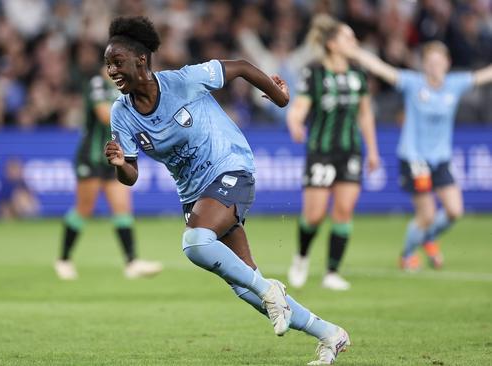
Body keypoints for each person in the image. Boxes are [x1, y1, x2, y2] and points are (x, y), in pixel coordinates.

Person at [104, 16, 350, 365]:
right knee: (245, 285)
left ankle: (271, 289)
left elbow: (241, 67)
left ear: (141, 60)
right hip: (193, 192)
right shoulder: (121, 113)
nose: (111, 70)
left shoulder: (184, 81)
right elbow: (131, 175)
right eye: (107, 64)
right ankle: (330, 334)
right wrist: (119, 164)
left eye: (117, 62)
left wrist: (280, 97)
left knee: (195, 243)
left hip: (230, 167)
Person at [347, 39, 492, 271]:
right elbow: (382, 69)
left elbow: (484, 75)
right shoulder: (413, 83)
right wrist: (356, 52)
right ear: (423, 65)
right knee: (427, 215)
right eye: (430, 62)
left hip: (441, 159)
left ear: (447, 63)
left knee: (455, 211)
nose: (434, 66)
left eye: (438, 61)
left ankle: (426, 238)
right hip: (414, 159)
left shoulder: (455, 84)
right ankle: (406, 255)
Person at [286, 15, 380, 291]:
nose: (354, 43)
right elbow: (299, 108)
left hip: (350, 150)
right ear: (332, 44)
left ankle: (332, 272)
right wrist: (294, 125)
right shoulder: (314, 73)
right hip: (321, 152)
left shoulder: (358, 74)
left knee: (344, 210)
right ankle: (301, 257)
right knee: (314, 215)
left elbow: (365, 115)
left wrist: (372, 150)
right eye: (348, 38)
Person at [55, 65, 163, 280]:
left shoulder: (126, 86)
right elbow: (104, 115)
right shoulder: (98, 83)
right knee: (84, 209)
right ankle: (64, 259)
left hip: (113, 158)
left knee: (122, 208)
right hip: (92, 156)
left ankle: (132, 262)